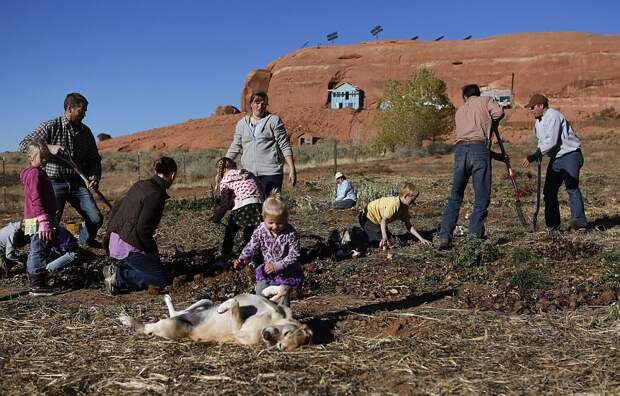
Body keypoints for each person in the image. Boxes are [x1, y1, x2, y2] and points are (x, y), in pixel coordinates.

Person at [19, 92, 103, 248]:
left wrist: (94, 176)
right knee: (49, 223)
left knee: (96, 218)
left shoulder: (86, 132)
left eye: (85, 112)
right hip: (52, 183)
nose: (84, 115)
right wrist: (49, 148)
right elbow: (24, 143)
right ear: (69, 108)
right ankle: (48, 253)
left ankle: (85, 242)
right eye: (81, 111)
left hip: (77, 183)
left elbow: (94, 159)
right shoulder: (51, 126)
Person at [437, 84, 507, 249]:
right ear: (478, 93)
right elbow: (499, 112)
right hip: (479, 149)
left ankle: (445, 237)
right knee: (481, 198)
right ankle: (474, 238)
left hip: (461, 151)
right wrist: (492, 121)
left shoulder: (460, 111)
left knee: (455, 196)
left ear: (465, 97)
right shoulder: (485, 100)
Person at [102, 157, 177, 294]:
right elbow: (143, 230)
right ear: (173, 175)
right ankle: (118, 278)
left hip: (115, 242)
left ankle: (119, 267)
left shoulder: (140, 185)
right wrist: (153, 251)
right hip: (128, 247)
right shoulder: (156, 195)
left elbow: (116, 209)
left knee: (155, 269)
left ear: (156, 170)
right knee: (162, 279)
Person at [521, 94, 587, 231]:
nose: (531, 110)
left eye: (533, 107)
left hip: (570, 155)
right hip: (556, 158)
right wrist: (539, 152)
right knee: (549, 191)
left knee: (572, 187)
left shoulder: (553, 115)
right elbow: (543, 142)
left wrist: (535, 155)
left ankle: (579, 223)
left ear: (541, 106)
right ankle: (552, 225)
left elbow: (552, 141)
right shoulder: (538, 122)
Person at [233, 193, 303, 306]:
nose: (275, 227)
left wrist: (277, 266)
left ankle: (283, 320)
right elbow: (252, 246)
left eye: (280, 223)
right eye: (271, 223)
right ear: (263, 217)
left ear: (286, 219)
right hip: (267, 271)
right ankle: (265, 318)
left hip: (286, 272)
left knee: (282, 298)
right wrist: (243, 259)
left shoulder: (290, 233)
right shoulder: (260, 230)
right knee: (260, 296)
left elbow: (294, 255)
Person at [225, 91, 297, 197]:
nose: (260, 106)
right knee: (253, 208)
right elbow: (235, 146)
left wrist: (292, 168)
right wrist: (223, 166)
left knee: (272, 208)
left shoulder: (273, 120)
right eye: (257, 103)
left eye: (263, 103)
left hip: (271, 172)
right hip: (249, 174)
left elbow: (284, 144)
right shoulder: (242, 124)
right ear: (251, 104)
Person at [20, 141, 60, 296]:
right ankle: (37, 285)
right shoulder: (35, 174)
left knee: (35, 248)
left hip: (31, 218)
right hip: (38, 219)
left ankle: (36, 282)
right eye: (41, 157)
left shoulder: (33, 173)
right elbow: (36, 198)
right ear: (31, 156)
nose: (45, 160)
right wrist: (44, 220)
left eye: (46, 157)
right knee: (37, 249)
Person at [212, 157, 263, 267]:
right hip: (258, 205)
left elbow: (226, 204)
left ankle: (223, 260)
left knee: (230, 233)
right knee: (251, 234)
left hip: (242, 207)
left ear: (222, 170)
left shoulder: (225, 180)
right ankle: (252, 260)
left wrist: (216, 218)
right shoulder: (247, 173)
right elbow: (259, 188)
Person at [359, 182, 432, 248]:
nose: (413, 202)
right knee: (377, 243)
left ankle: (370, 233)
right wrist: (384, 237)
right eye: (412, 200)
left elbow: (408, 225)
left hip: (378, 221)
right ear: (406, 196)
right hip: (368, 218)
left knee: (390, 241)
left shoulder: (404, 207)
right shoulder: (394, 204)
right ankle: (358, 234)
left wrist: (421, 239)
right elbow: (383, 221)